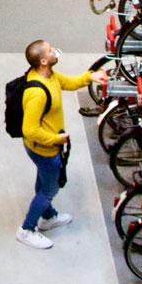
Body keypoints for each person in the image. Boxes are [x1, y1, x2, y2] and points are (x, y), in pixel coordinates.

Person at [17, 40, 106, 249]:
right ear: (44, 61)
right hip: (45, 149)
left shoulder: (50, 76)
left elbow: (69, 83)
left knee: (44, 181)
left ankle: (48, 216)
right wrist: (57, 140)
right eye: (50, 50)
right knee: (49, 189)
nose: (55, 50)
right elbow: (29, 130)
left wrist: (90, 77)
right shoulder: (37, 93)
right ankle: (27, 229)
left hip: (47, 147)